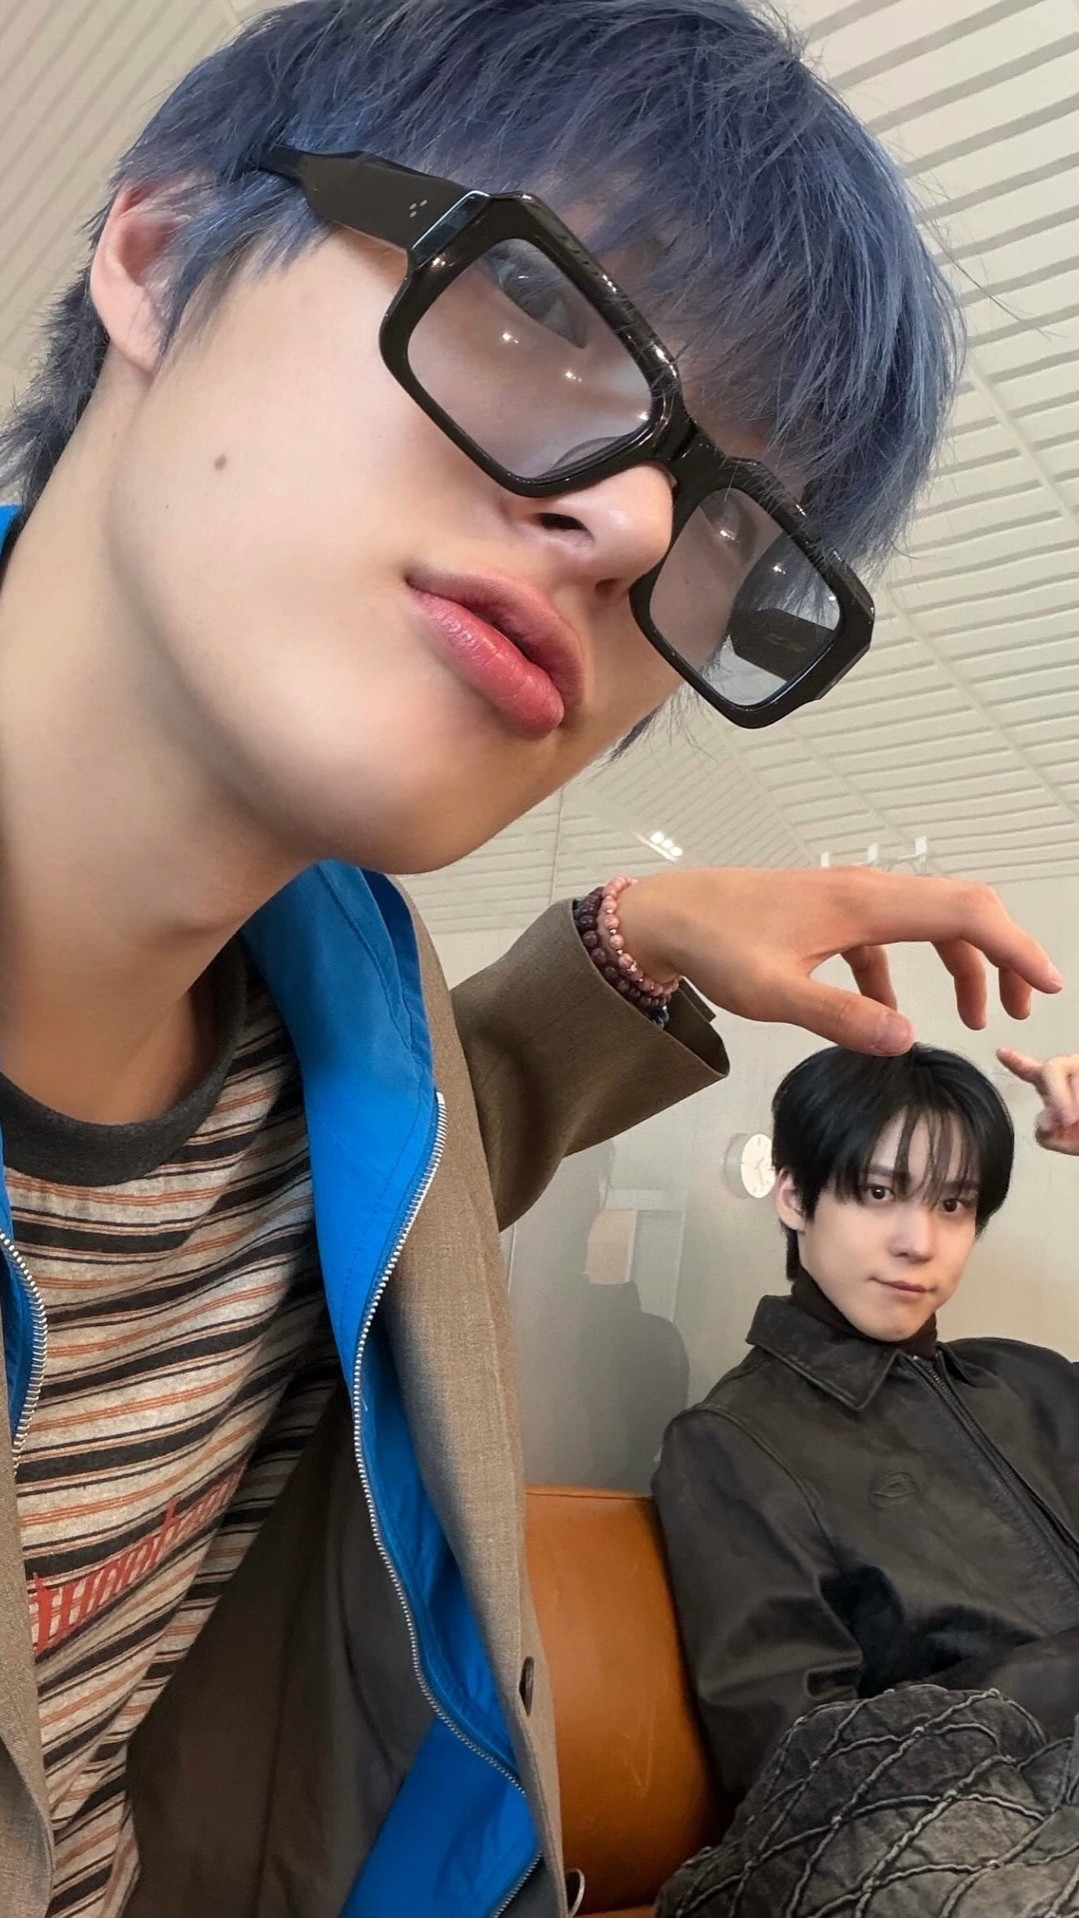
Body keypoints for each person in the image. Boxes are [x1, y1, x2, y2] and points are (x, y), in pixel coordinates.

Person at [0, 1, 1063, 1913]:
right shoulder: (729, 1441)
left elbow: (392, 1151)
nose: (638, 522)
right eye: (536, 309)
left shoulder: (326, 1054)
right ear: (155, 253)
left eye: (737, 531)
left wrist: (641, 931)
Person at [654, 1040, 1079, 1815]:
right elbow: (797, 1765)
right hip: (991, 1833)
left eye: (952, 1205)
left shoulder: (1032, 1382)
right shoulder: (732, 1442)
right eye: (879, 1192)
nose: (918, 1241)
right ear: (793, 1197)